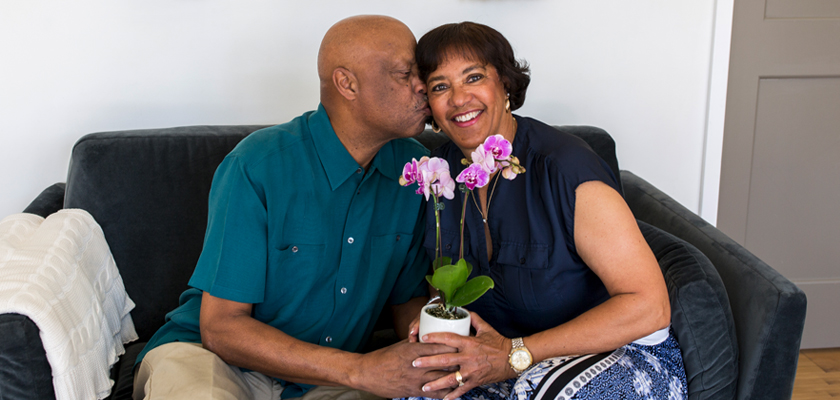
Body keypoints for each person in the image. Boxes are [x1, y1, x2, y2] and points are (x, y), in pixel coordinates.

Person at [132, 15, 457, 400]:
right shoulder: (257, 164)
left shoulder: (416, 173)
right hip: (209, 359)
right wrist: (360, 370)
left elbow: (407, 298)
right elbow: (221, 329)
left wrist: (425, 347)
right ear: (347, 83)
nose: (424, 87)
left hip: (329, 378)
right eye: (406, 74)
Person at [402, 22, 688, 400]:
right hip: (501, 361)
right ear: (430, 107)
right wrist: (432, 326)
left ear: (505, 84)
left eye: (473, 77)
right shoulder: (435, 176)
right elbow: (428, 291)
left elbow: (649, 307)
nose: (458, 98)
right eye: (441, 86)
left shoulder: (565, 168)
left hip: (619, 353)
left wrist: (517, 354)